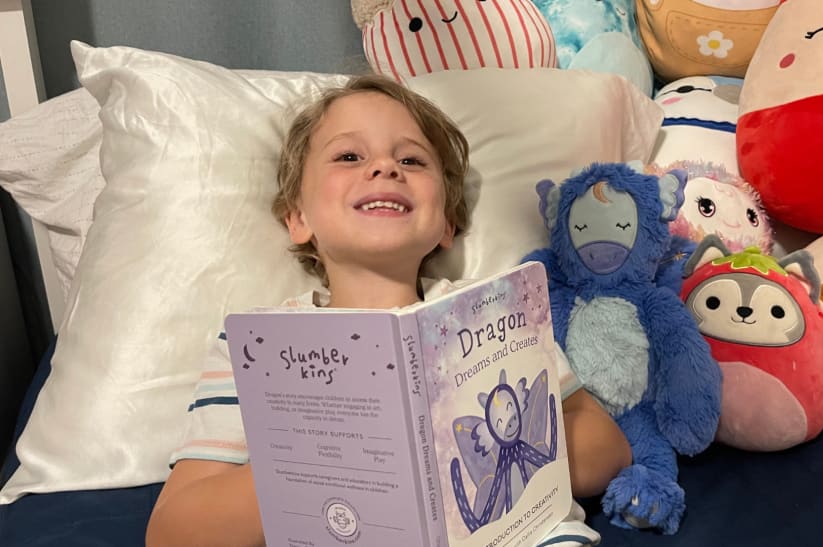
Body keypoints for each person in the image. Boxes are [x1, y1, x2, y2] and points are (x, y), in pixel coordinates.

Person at [145, 74, 632, 547]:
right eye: (349, 155)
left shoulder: (495, 312)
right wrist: (327, 459)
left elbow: (609, 451)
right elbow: (174, 531)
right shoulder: (255, 348)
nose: (384, 168)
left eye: (412, 160)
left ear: (446, 222)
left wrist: (505, 439)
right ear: (298, 218)